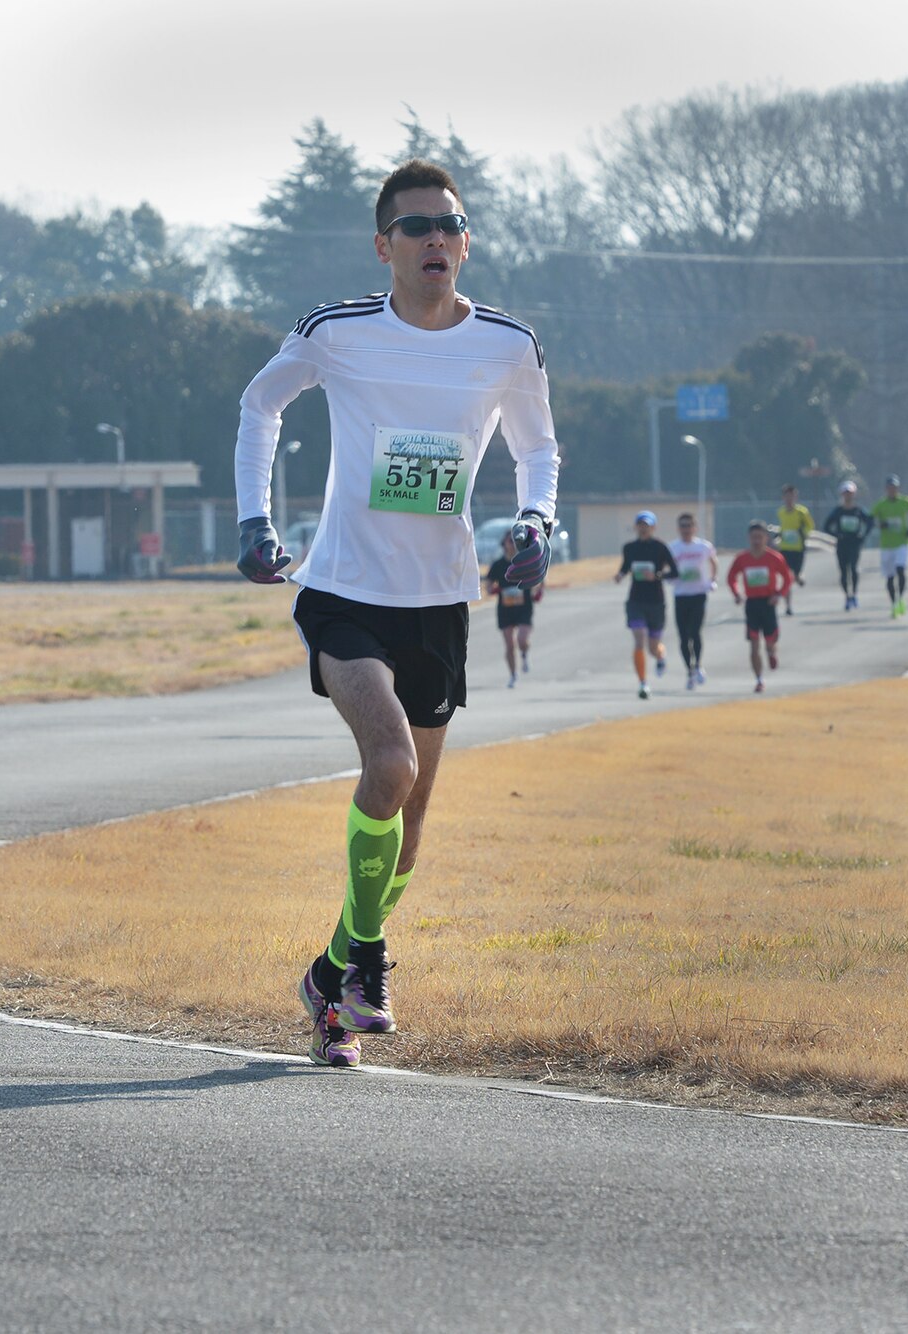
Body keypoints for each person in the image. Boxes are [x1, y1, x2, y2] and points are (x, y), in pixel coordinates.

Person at [231, 159, 559, 1069]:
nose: (436, 241)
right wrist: (255, 521)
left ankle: (329, 974)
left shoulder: (506, 344)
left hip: (442, 602)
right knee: (390, 764)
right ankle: (368, 960)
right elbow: (261, 405)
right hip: (343, 591)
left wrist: (537, 520)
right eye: (415, 228)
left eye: (450, 226)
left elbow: (540, 448)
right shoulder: (336, 333)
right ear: (384, 246)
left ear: (465, 242)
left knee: (407, 829)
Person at [615, 510, 677, 699]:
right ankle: (643, 683)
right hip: (635, 600)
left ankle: (660, 656)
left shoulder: (660, 547)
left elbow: (675, 572)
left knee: (653, 646)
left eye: (647, 526)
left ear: (653, 528)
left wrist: (657, 576)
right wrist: (620, 575)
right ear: (636, 527)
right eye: (640, 525)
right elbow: (626, 566)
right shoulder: (629, 548)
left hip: (656, 601)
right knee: (639, 639)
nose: (643, 529)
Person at [727, 521, 793, 692]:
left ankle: (771, 653)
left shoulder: (774, 558)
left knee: (770, 641)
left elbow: (787, 577)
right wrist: (736, 593)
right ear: (749, 538)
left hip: (768, 602)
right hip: (752, 604)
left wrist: (779, 594)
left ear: (766, 538)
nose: (756, 540)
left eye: (760, 537)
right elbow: (731, 577)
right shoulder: (742, 558)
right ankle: (759, 679)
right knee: (754, 644)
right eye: (753, 537)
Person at [483, 525, 541, 686]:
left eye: (516, 541)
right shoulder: (498, 565)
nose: (513, 544)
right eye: (510, 541)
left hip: (524, 607)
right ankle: (513, 674)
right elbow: (488, 584)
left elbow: (539, 577)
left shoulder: (525, 561)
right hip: (505, 608)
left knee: (522, 639)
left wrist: (537, 590)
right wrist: (491, 589)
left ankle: (524, 653)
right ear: (504, 543)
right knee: (509, 643)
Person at [668, 512, 716, 689]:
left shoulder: (703, 546)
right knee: (683, 637)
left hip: (698, 594)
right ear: (678, 528)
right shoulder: (673, 547)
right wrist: (668, 577)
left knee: (695, 632)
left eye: (689, 526)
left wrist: (713, 579)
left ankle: (698, 665)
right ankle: (689, 670)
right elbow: (666, 566)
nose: (686, 529)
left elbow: (713, 561)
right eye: (683, 526)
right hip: (681, 595)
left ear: (695, 528)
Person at [819, 480, 873, 610]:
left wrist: (863, 535)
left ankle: (854, 594)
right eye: (845, 493)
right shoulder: (838, 511)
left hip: (854, 544)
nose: (848, 496)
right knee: (843, 572)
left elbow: (870, 522)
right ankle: (847, 596)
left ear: (854, 494)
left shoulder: (859, 510)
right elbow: (826, 526)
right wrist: (836, 534)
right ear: (842, 495)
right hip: (842, 544)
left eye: (850, 493)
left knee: (853, 569)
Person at [872, 475, 908, 618]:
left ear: (898, 488)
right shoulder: (881, 504)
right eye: (890, 488)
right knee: (890, 577)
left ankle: (901, 598)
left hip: (902, 542)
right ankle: (894, 603)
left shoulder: (905, 502)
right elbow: (871, 518)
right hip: (886, 545)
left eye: (895, 487)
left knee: (901, 569)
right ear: (886, 489)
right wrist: (880, 524)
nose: (892, 490)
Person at [774, 483, 815, 614]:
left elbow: (810, 526)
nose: (789, 499)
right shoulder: (781, 512)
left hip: (798, 548)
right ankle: (788, 606)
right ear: (783, 497)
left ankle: (799, 577)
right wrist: (779, 536)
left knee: (795, 576)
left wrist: (803, 532)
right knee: (787, 578)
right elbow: (783, 527)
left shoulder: (802, 512)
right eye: (787, 496)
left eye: (792, 496)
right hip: (785, 549)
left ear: (795, 497)